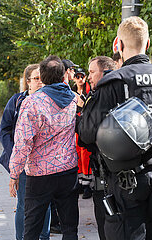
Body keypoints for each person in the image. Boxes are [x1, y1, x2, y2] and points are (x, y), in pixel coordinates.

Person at [77, 16, 152, 240]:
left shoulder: (114, 82)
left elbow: (86, 134)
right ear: (148, 44)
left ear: (118, 45)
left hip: (126, 179)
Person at [9, 55, 79, 240]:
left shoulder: (32, 102)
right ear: (63, 75)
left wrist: (14, 173)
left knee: (31, 228)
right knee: (70, 227)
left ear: (43, 76)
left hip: (40, 175)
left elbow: (23, 142)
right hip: (68, 170)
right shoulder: (74, 99)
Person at [0, 64, 51, 240]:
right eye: (36, 79)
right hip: (23, 163)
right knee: (23, 205)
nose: (40, 82)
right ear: (27, 81)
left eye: (42, 79)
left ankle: (44, 237)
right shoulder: (17, 101)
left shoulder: (50, 101)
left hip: (45, 163)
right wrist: (14, 153)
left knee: (46, 205)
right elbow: (5, 129)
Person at [77, 56, 116, 240]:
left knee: (106, 222)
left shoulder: (99, 95)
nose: (88, 77)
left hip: (105, 172)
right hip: (127, 172)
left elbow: (86, 136)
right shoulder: (124, 89)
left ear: (105, 72)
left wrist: (80, 118)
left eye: (92, 72)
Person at [71, 68, 92, 199]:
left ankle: (87, 185)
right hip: (75, 125)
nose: (80, 79)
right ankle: (80, 182)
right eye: (77, 77)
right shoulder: (71, 92)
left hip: (84, 125)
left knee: (85, 154)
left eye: (82, 77)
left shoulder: (89, 92)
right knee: (77, 152)